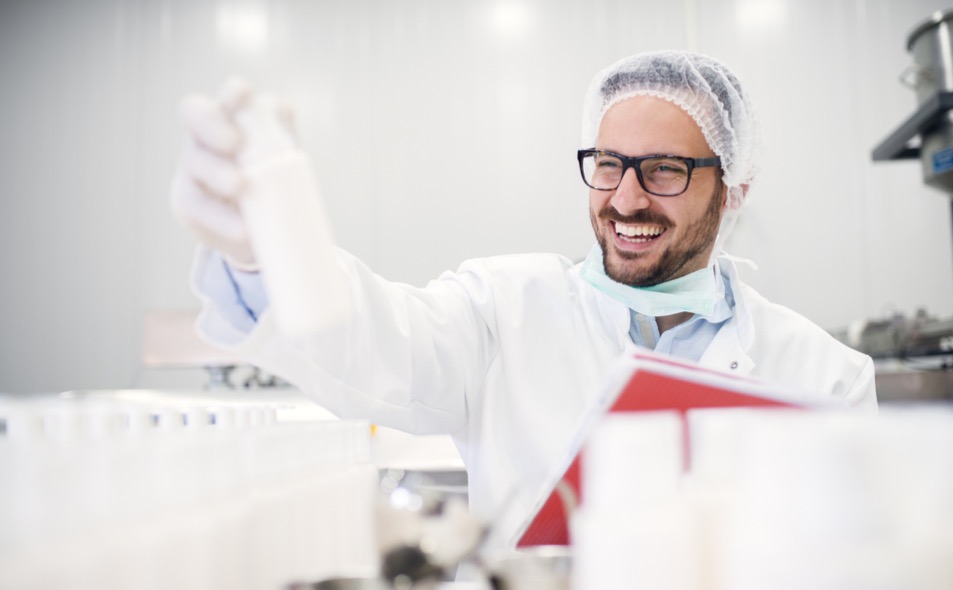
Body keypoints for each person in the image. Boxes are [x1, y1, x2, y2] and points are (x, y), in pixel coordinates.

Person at [171, 50, 877, 550]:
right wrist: (261, 253)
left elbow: (850, 558)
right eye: (607, 165)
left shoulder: (822, 376)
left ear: (733, 190)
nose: (625, 199)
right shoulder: (500, 311)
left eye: (664, 170)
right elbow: (374, 340)